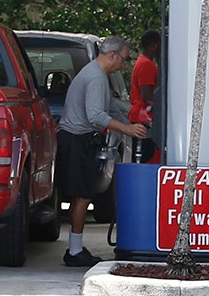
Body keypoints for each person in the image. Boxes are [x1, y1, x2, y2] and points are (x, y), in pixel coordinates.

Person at [57, 36, 146, 268]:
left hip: (78, 138)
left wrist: (135, 117)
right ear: (112, 55)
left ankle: (75, 247)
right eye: (124, 59)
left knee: (83, 195)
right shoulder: (96, 77)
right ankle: (74, 251)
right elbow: (96, 115)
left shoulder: (96, 74)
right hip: (77, 140)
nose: (124, 65)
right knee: (82, 196)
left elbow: (111, 107)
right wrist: (127, 128)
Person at [128, 29, 160, 163]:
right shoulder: (147, 65)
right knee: (146, 156)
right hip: (143, 118)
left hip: (139, 116)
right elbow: (147, 95)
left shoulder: (141, 61)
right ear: (154, 45)